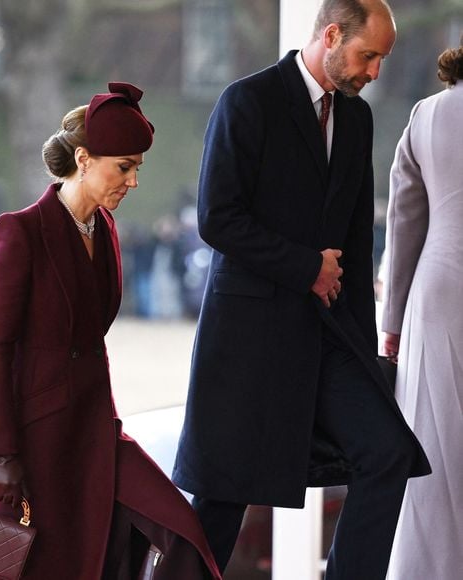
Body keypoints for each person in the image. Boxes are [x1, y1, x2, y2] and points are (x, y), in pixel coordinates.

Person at [171, 2, 431, 579]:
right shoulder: (247, 101)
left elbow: (357, 243)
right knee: (220, 500)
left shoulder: (357, 120)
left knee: (387, 453)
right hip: (249, 340)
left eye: (383, 59)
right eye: (369, 56)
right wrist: (305, 266)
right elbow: (217, 218)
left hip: (328, 338)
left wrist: (368, 350)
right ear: (332, 36)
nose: (375, 72)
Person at [0, 82, 221, 580]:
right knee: (39, 568)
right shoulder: (18, 231)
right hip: (32, 443)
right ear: (84, 159)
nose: (132, 182)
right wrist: (0, 456)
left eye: (137, 169)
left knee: (181, 534)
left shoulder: (105, 229)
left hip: (98, 433)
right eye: (124, 167)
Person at [382, 39, 463, 580]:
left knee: (433, 445)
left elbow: (404, 219)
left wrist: (390, 320)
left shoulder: (427, 113)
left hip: (439, 289)